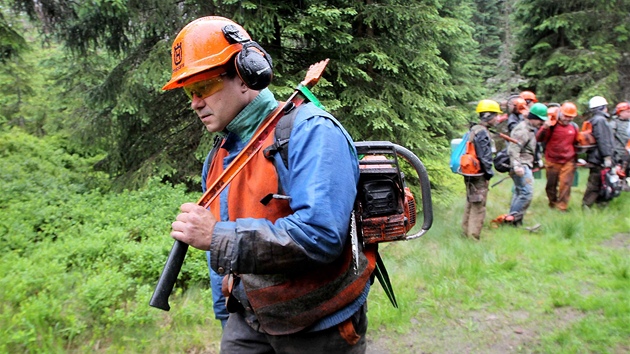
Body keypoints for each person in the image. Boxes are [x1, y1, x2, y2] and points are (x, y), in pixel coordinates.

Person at [164, 17, 371, 353]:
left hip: (320, 325)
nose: (194, 102)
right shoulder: (218, 156)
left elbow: (321, 235)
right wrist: (225, 316)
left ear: (246, 76)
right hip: (247, 321)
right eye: (189, 91)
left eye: (203, 87)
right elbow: (222, 262)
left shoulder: (311, 132)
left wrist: (216, 236)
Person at [461, 100, 500, 239]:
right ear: (489, 116)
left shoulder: (474, 129)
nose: (498, 119)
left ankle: (465, 231)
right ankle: (473, 236)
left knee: (471, 201)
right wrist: (489, 173)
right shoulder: (482, 132)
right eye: (496, 115)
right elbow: (484, 156)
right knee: (479, 205)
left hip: (469, 171)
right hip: (478, 173)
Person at [504, 102, 548, 225]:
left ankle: (514, 221)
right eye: (541, 120)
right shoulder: (522, 130)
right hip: (521, 165)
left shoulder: (529, 128)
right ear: (534, 118)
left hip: (524, 164)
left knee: (519, 192)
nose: (542, 123)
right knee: (526, 193)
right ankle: (513, 219)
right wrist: (517, 165)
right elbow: (513, 148)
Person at [536, 102, 579, 211]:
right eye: (566, 116)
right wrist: (544, 127)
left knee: (565, 185)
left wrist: (577, 160)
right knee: (551, 185)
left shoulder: (574, 127)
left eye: (571, 117)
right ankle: (552, 203)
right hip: (552, 160)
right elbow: (539, 139)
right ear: (560, 113)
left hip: (568, 161)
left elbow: (576, 144)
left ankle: (562, 207)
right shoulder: (552, 126)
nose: (568, 119)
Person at [582, 96, 615, 207]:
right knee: (596, 183)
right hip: (599, 158)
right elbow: (603, 140)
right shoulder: (600, 121)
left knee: (601, 183)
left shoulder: (594, 120)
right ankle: (587, 205)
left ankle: (600, 205)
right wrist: (607, 157)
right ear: (603, 107)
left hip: (594, 157)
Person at [610, 101, 630, 189]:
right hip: (618, 152)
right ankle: (616, 186)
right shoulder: (614, 123)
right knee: (618, 170)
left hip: (628, 151)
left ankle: (626, 185)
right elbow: (610, 138)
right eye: (628, 112)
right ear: (620, 112)